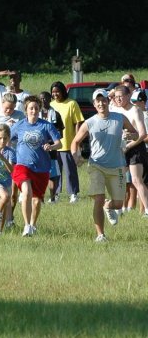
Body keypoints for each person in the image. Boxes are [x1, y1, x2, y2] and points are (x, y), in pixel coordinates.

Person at [71, 89, 140, 242]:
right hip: (96, 165)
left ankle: (108, 207)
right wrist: (76, 156)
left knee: (118, 203)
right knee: (99, 198)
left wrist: (130, 136)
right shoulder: (90, 123)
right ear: (94, 104)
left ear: (108, 102)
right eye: (98, 101)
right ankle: (100, 235)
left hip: (118, 166)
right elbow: (75, 142)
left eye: (104, 100)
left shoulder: (120, 118)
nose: (101, 103)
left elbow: (136, 134)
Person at [9, 95, 63, 237]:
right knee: (26, 192)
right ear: (26, 110)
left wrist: (51, 146)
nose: (34, 111)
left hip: (41, 167)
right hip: (22, 165)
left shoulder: (46, 125)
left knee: (37, 200)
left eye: (36, 108)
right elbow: (7, 138)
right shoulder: (19, 125)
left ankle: (33, 225)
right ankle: (26, 226)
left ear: (39, 110)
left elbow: (60, 143)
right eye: (31, 108)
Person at [108, 85, 148, 215]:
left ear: (129, 96)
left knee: (136, 180)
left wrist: (131, 142)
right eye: (116, 97)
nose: (118, 99)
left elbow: (142, 134)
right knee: (117, 178)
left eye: (121, 96)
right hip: (121, 148)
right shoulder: (115, 110)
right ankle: (118, 208)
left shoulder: (135, 110)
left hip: (135, 147)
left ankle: (147, 210)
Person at [48, 81, 84, 203]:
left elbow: (78, 121)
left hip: (68, 143)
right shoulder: (50, 105)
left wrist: (77, 139)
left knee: (70, 171)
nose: (55, 94)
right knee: (55, 172)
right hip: (53, 144)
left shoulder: (72, 104)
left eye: (57, 91)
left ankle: (73, 194)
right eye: (53, 92)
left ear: (63, 91)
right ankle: (55, 194)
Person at [38, 91, 65, 203]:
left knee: (52, 175)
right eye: (41, 98)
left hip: (52, 149)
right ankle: (40, 197)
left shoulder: (56, 114)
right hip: (38, 149)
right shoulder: (35, 114)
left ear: (50, 100)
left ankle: (53, 198)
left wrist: (51, 143)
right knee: (39, 174)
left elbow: (61, 133)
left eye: (45, 98)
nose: (43, 100)